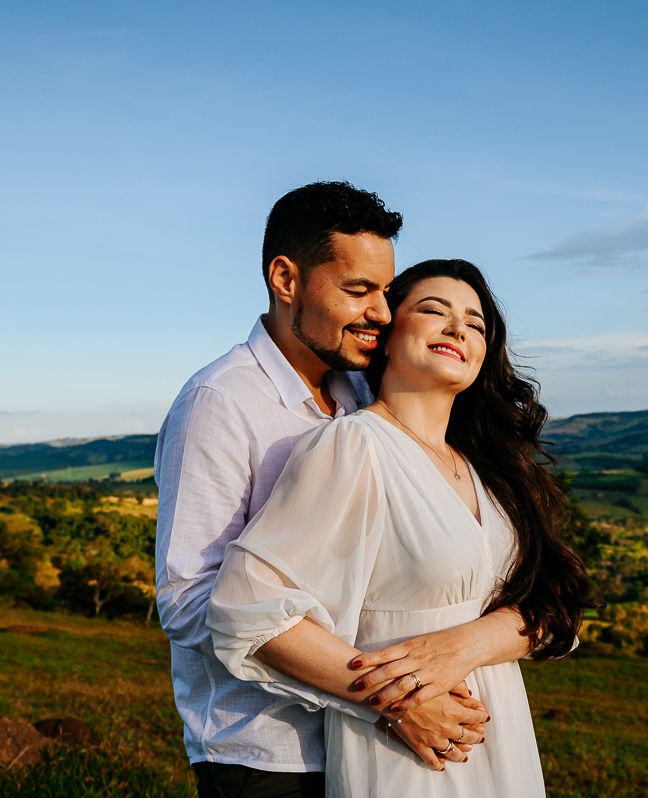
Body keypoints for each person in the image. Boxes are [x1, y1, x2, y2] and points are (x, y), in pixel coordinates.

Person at [155, 185, 530, 798]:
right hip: (269, 749)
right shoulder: (220, 402)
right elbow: (191, 596)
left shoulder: (359, 391)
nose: (381, 312)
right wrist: (391, 697)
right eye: (358, 291)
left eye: (386, 291)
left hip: (385, 745)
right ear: (286, 279)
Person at [208, 259, 596, 797]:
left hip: (501, 744)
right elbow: (246, 606)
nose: (458, 328)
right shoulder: (352, 447)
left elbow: (556, 612)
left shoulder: (489, 468)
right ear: (387, 336)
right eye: (435, 311)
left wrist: (469, 644)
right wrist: (397, 701)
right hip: (406, 755)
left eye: (476, 324)